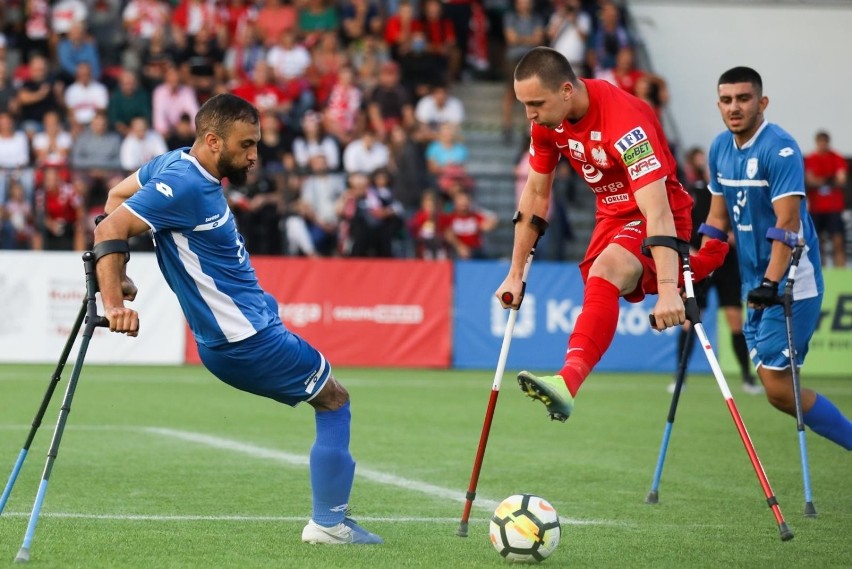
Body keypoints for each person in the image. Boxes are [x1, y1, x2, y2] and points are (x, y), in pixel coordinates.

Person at [93, 94, 384, 543]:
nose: (253, 156)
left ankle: (332, 521)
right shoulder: (186, 187)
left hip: (242, 330)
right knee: (334, 400)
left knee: (323, 387)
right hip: (246, 340)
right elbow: (109, 227)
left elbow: (114, 198)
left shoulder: (173, 164)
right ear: (212, 141)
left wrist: (125, 273)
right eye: (246, 145)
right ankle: (330, 525)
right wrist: (114, 302)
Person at [497, 47, 728, 422]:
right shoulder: (546, 124)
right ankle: (704, 262)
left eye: (536, 102)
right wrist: (515, 273)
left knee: (607, 269)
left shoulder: (625, 121)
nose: (530, 115)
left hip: (662, 213)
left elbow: (657, 210)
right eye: (524, 104)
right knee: (601, 282)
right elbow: (536, 195)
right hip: (610, 218)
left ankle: (566, 384)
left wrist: (670, 289)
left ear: (567, 90)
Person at [701, 66, 852, 450]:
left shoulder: (780, 149)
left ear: (762, 102)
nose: (734, 107)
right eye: (726, 100)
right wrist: (700, 265)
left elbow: (787, 224)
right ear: (718, 104)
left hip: (789, 281)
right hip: (754, 280)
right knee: (778, 388)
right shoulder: (719, 147)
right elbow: (718, 218)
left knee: (777, 387)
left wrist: (771, 282)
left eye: (743, 98)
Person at [668, 147, 762, 395]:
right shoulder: (695, 193)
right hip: (699, 263)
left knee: (735, 321)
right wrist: (693, 251)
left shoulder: (734, 193)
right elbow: (683, 227)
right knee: (690, 321)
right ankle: (680, 379)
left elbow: (746, 226)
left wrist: (733, 237)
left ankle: (747, 379)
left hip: (727, 264)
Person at [804, 130, 847, 268]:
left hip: (834, 207)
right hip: (816, 208)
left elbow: (841, 179)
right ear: (817, 143)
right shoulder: (811, 159)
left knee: (838, 241)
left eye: (825, 142)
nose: (823, 145)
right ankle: (821, 271)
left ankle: (840, 272)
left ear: (828, 143)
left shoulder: (836, 157)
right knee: (818, 242)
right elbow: (810, 180)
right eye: (820, 142)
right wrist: (829, 179)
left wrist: (821, 180)